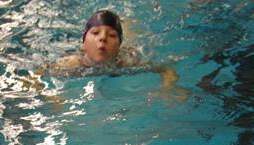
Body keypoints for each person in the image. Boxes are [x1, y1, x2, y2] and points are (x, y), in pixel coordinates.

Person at [51, 9, 180, 91]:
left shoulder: (127, 61)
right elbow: (40, 73)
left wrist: (169, 86)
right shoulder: (71, 63)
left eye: (112, 35)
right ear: (83, 42)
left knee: (131, 35)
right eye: (95, 33)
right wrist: (53, 97)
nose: (103, 38)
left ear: (119, 46)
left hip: (125, 47)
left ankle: (126, 21)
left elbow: (164, 69)